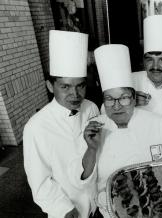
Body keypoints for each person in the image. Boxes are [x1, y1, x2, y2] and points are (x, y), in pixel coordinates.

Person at [79, 44, 162, 218]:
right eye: (110, 99)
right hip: (110, 212)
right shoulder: (94, 127)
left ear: (134, 99)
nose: (117, 105)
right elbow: (84, 178)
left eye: (124, 98)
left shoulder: (159, 123)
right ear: (103, 102)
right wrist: (91, 148)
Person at [23, 30, 100, 218]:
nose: (75, 94)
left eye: (80, 85)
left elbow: (99, 154)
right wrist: (63, 208)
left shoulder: (90, 108)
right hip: (68, 210)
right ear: (50, 86)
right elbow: (40, 182)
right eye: (65, 86)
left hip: (98, 203)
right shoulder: (36, 127)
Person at [132, 15, 162, 116]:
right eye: (150, 59)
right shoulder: (129, 82)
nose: (155, 66)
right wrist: (126, 102)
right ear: (143, 61)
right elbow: (104, 111)